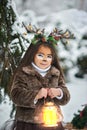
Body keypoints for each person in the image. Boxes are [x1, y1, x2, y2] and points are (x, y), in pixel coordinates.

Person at [10, 33, 70, 130]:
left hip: (53, 122)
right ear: (32, 55)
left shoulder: (55, 73)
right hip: (29, 123)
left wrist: (59, 92)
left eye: (49, 56)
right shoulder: (24, 72)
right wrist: (36, 95)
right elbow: (16, 95)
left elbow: (66, 96)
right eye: (40, 55)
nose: (45, 59)